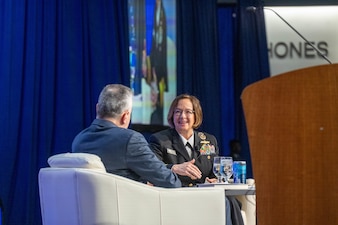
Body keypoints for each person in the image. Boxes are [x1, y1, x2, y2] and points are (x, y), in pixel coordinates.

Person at [148, 94, 244, 225]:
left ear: (196, 116)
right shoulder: (160, 140)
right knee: (224, 202)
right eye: (178, 112)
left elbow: (214, 172)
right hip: (176, 196)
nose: (182, 116)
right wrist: (174, 168)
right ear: (172, 115)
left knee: (229, 201)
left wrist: (215, 179)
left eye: (188, 112)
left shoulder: (209, 140)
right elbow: (152, 170)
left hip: (204, 194)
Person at [72, 84, 181, 188]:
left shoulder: (79, 140)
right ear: (125, 116)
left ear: (97, 108)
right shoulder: (130, 140)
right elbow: (171, 182)